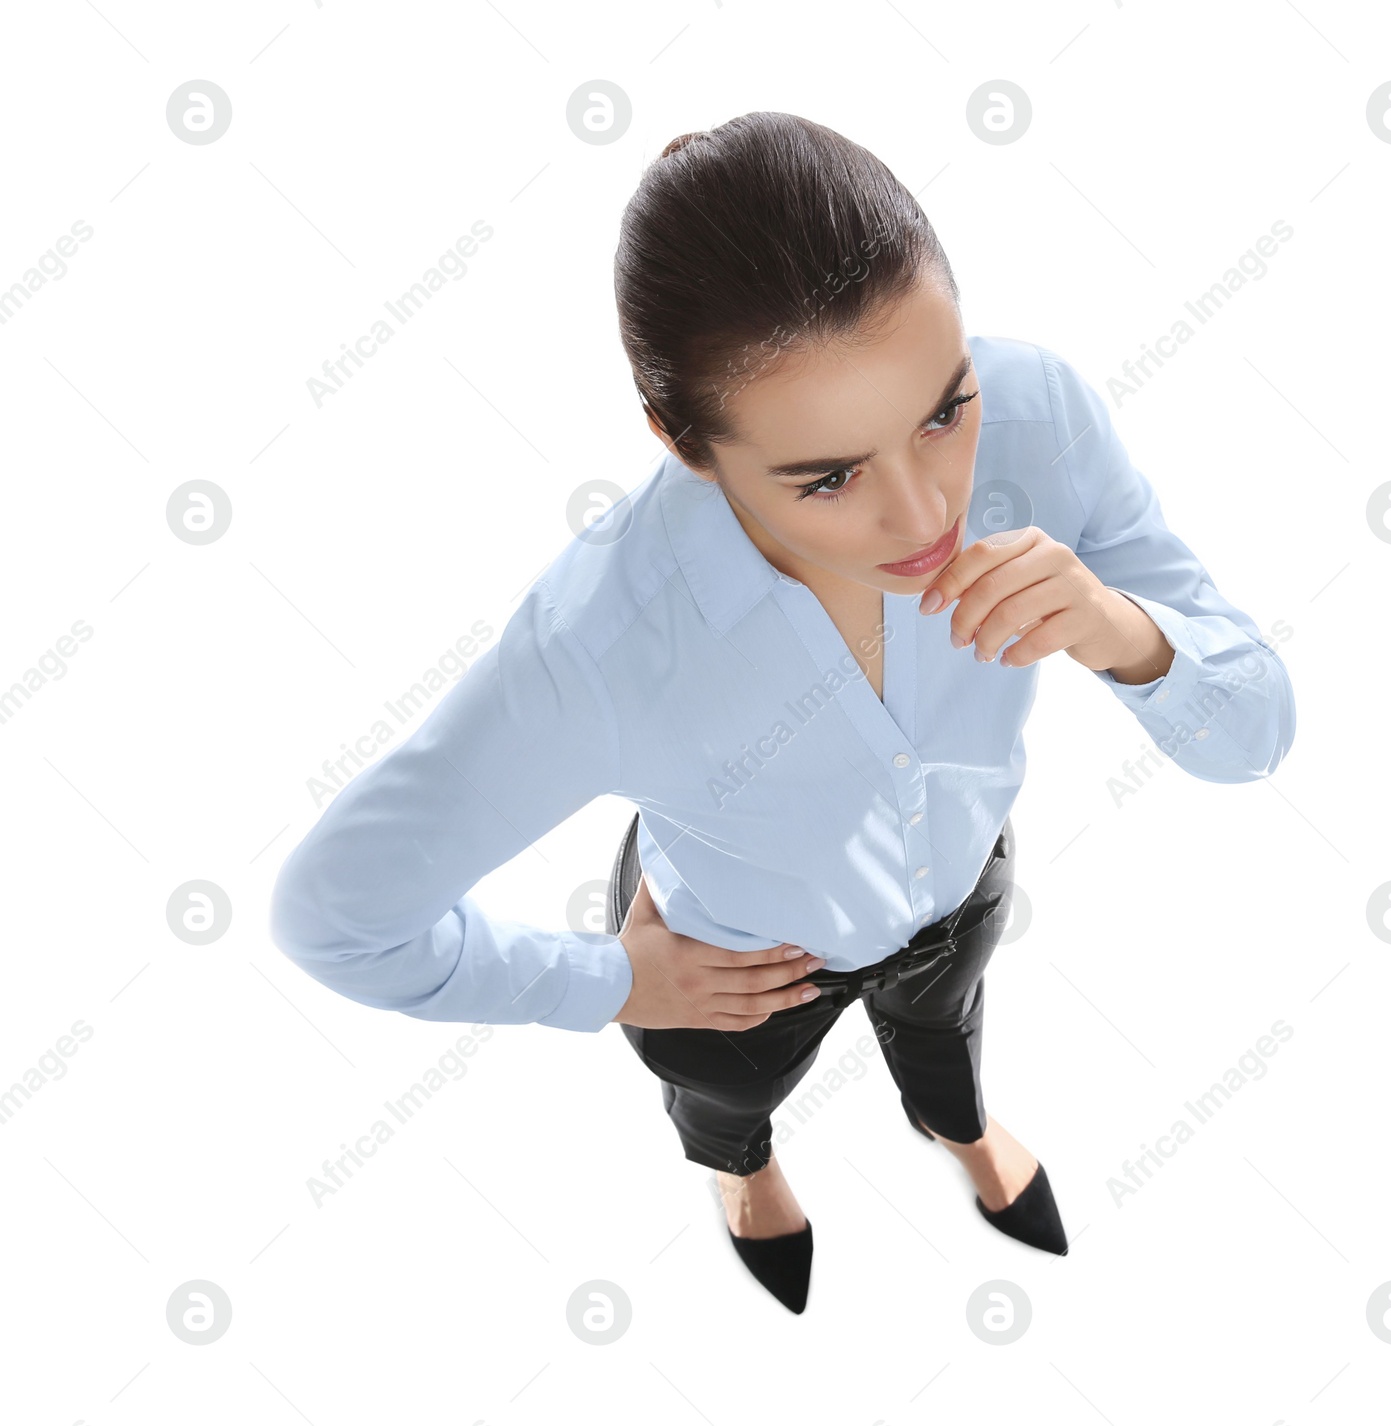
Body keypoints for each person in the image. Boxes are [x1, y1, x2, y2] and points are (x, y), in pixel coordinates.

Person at [269, 111, 1297, 1314]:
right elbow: (333, 918)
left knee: (948, 1042)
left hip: (961, 897)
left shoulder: (1041, 413)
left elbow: (1256, 734)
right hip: (732, 972)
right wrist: (603, 982)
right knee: (723, 1100)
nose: (926, 516)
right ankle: (742, 1174)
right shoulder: (598, 645)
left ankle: (957, 1130)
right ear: (681, 442)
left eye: (942, 410)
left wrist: (1127, 636)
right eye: (830, 475)